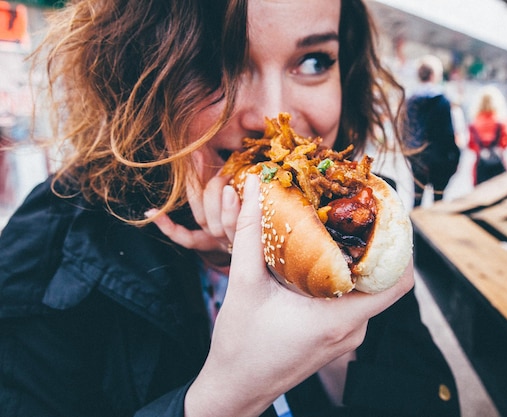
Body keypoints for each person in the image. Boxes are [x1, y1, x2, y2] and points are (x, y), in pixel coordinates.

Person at [0, 1, 461, 416]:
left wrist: (329, 320)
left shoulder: (358, 227)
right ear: (137, 72)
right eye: (214, 62)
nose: (270, 115)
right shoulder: (50, 246)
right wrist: (226, 398)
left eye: (314, 61)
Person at [402, 55, 460, 207]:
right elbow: (448, 133)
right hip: (439, 158)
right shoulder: (442, 100)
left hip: (417, 157)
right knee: (438, 201)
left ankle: (414, 230)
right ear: (434, 75)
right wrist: (455, 157)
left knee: (416, 199)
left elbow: (404, 129)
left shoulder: (409, 100)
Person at [468, 85, 507, 185]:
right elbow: (506, 143)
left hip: (480, 167)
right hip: (499, 166)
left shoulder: (473, 123)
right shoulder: (504, 122)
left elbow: (471, 145)